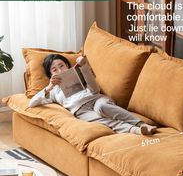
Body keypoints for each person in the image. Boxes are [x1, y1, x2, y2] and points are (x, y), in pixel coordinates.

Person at [29, 54, 157, 135]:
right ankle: (137, 131)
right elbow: (32, 103)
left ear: (67, 65)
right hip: (80, 111)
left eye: (61, 66)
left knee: (102, 108)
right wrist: (49, 88)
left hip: (96, 99)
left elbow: (95, 90)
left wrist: (84, 68)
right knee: (104, 121)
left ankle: (141, 124)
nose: (60, 70)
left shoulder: (78, 75)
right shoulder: (53, 91)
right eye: (54, 69)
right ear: (51, 74)